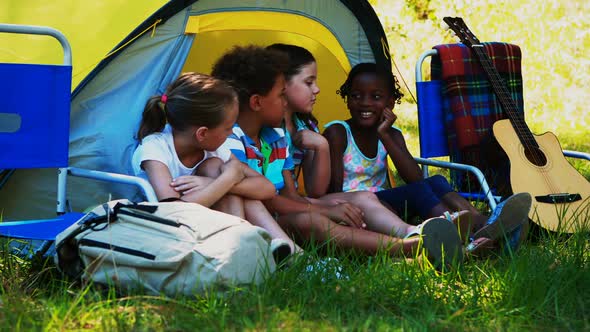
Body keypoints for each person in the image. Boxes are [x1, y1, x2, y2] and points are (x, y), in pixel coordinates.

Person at [211, 45, 464, 267]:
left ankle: (412, 234)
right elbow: (270, 200)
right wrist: (325, 210)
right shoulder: (231, 141)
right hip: (265, 222)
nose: (284, 101)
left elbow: (288, 194)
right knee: (315, 222)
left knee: (362, 198)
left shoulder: (274, 138)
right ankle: (405, 246)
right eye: (280, 95)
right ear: (256, 103)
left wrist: (328, 205)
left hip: (287, 209)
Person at [323, 62, 532, 253]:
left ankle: (481, 223)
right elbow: (333, 189)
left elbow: (415, 177)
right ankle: (457, 234)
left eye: (375, 97)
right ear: (347, 98)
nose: (364, 103)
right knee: (418, 191)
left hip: (384, 202)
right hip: (355, 208)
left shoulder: (391, 134)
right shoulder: (338, 133)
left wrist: (385, 136)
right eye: (356, 96)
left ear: (391, 102)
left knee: (436, 181)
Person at [131, 72, 297, 259]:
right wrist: (225, 180)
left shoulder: (215, 148)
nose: (231, 134)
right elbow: (174, 212)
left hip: (208, 223)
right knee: (220, 173)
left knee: (218, 171)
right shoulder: (155, 148)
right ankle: (246, 250)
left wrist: (212, 183)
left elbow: (267, 189)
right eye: (228, 128)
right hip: (166, 231)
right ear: (202, 134)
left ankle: (290, 252)